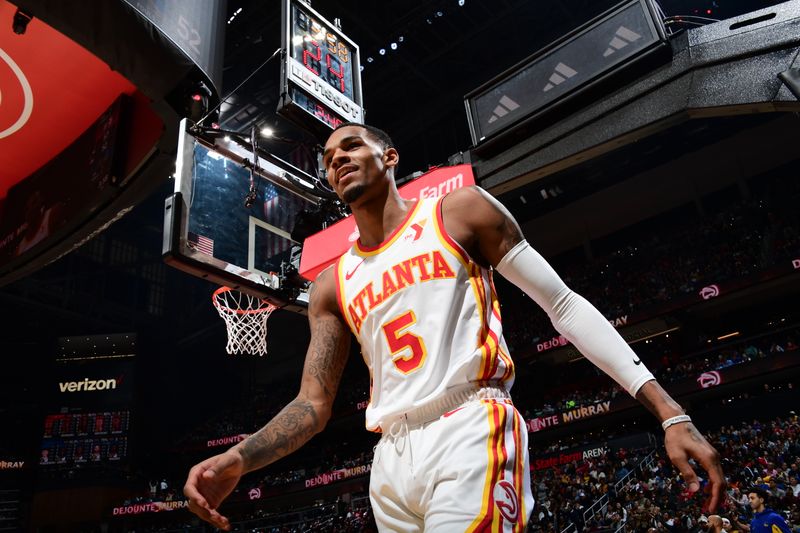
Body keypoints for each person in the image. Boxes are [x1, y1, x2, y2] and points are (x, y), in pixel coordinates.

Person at [183, 123, 726, 531]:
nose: (337, 159)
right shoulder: (332, 284)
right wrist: (240, 457)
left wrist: (669, 412)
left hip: (470, 423)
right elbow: (312, 405)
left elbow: (563, 305)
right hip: (391, 457)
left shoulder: (458, 213)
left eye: (350, 146)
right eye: (327, 159)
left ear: (389, 156)